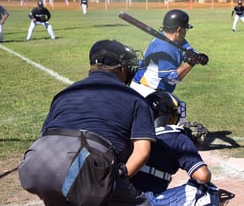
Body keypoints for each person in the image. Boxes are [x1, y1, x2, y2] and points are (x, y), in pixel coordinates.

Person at [18, 39, 156, 205]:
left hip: (38, 166)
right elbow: (142, 151)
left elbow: (44, 135)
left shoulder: (64, 94)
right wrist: (118, 175)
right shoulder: (135, 99)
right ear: (121, 69)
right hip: (89, 167)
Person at [131, 91, 219, 206]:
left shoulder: (133, 134)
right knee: (205, 190)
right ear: (170, 118)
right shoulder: (177, 137)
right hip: (144, 201)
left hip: (118, 195)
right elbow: (203, 176)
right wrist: (187, 145)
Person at [130, 9, 208, 98]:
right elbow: (171, 79)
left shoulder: (172, 38)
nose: (186, 31)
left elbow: (187, 51)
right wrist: (189, 63)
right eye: (185, 28)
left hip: (155, 90)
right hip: (145, 91)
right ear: (179, 30)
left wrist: (198, 56)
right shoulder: (164, 48)